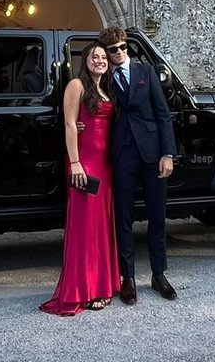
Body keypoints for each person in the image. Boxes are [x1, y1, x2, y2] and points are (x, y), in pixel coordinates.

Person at [40, 43, 121, 315]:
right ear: (85, 61)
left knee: (101, 225)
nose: (99, 61)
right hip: (84, 163)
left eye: (102, 57)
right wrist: (74, 162)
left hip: (105, 165)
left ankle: (103, 284)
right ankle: (85, 289)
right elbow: (70, 123)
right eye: (94, 57)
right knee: (85, 228)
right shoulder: (77, 85)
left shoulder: (106, 88)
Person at [99, 26, 177, 304]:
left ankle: (159, 274)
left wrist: (168, 154)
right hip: (121, 153)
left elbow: (163, 114)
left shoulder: (146, 73)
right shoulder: (104, 78)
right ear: (106, 53)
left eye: (122, 47)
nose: (119, 52)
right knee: (123, 216)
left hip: (153, 151)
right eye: (113, 50)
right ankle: (127, 277)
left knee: (157, 215)